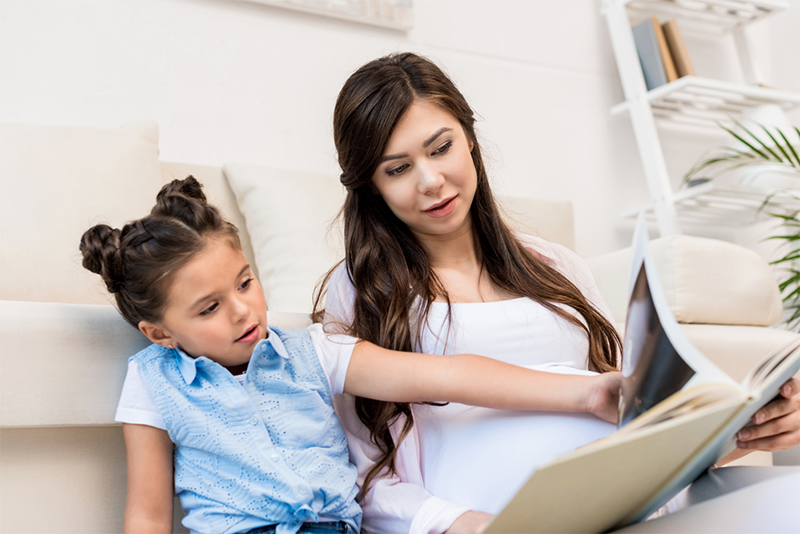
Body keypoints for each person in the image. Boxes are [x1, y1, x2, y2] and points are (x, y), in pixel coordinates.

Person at [316, 52, 800, 534]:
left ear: (469, 139)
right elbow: (362, 474)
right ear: (372, 187)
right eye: (397, 169)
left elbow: (635, 415)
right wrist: (463, 524)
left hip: (633, 499)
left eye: (441, 148)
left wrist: (749, 432)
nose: (431, 180)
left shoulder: (555, 266)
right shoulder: (365, 293)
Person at [81, 176, 623, 534]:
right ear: (160, 334)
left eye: (246, 283)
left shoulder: (314, 350)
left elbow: (450, 375)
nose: (244, 311)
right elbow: (149, 514)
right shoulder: (153, 382)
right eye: (209, 309)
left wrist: (587, 391)